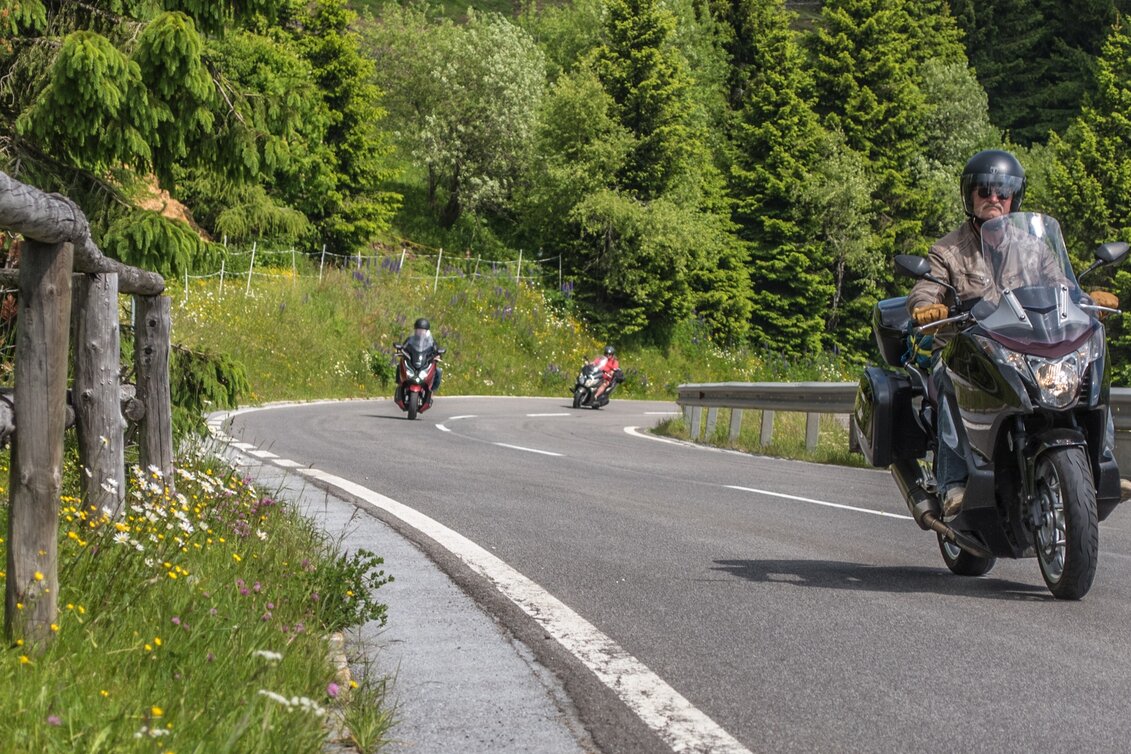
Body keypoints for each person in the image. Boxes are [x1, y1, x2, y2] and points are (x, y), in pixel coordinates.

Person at [906, 149, 1118, 519]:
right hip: (969, 346)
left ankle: (1102, 458)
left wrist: (1086, 299)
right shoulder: (948, 250)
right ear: (970, 196)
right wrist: (927, 306)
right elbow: (927, 287)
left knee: (1091, 365)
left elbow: (1061, 284)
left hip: (1025, 345)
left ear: (1013, 198)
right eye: (985, 190)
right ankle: (954, 481)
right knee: (949, 375)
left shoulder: (1033, 246)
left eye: (1002, 192)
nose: (993, 198)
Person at [402, 317, 443, 393]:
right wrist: (402, 351)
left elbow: (437, 350)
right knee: (399, 366)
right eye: (418, 330)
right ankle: (401, 384)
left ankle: (432, 389)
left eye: (422, 330)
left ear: (427, 331)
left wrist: (438, 355)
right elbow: (403, 348)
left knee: (438, 371)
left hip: (425, 363)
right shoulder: (410, 340)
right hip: (412, 362)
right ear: (415, 330)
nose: (420, 332)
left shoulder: (431, 342)